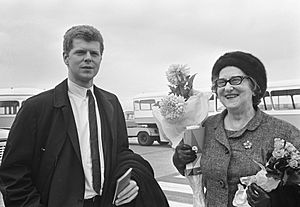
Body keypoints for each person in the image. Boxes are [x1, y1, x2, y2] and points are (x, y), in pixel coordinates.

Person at [0, 25, 169, 207]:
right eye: (80, 52)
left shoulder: (111, 103)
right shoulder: (36, 108)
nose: (88, 58)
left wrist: (132, 178)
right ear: (66, 57)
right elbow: (13, 172)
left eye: (94, 54)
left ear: (100, 58)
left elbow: (121, 153)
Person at [173, 51, 300, 207]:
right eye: (221, 82)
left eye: (236, 80)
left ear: (255, 86)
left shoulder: (283, 133)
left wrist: (274, 202)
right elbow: (193, 170)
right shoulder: (205, 126)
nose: (227, 87)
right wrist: (179, 159)